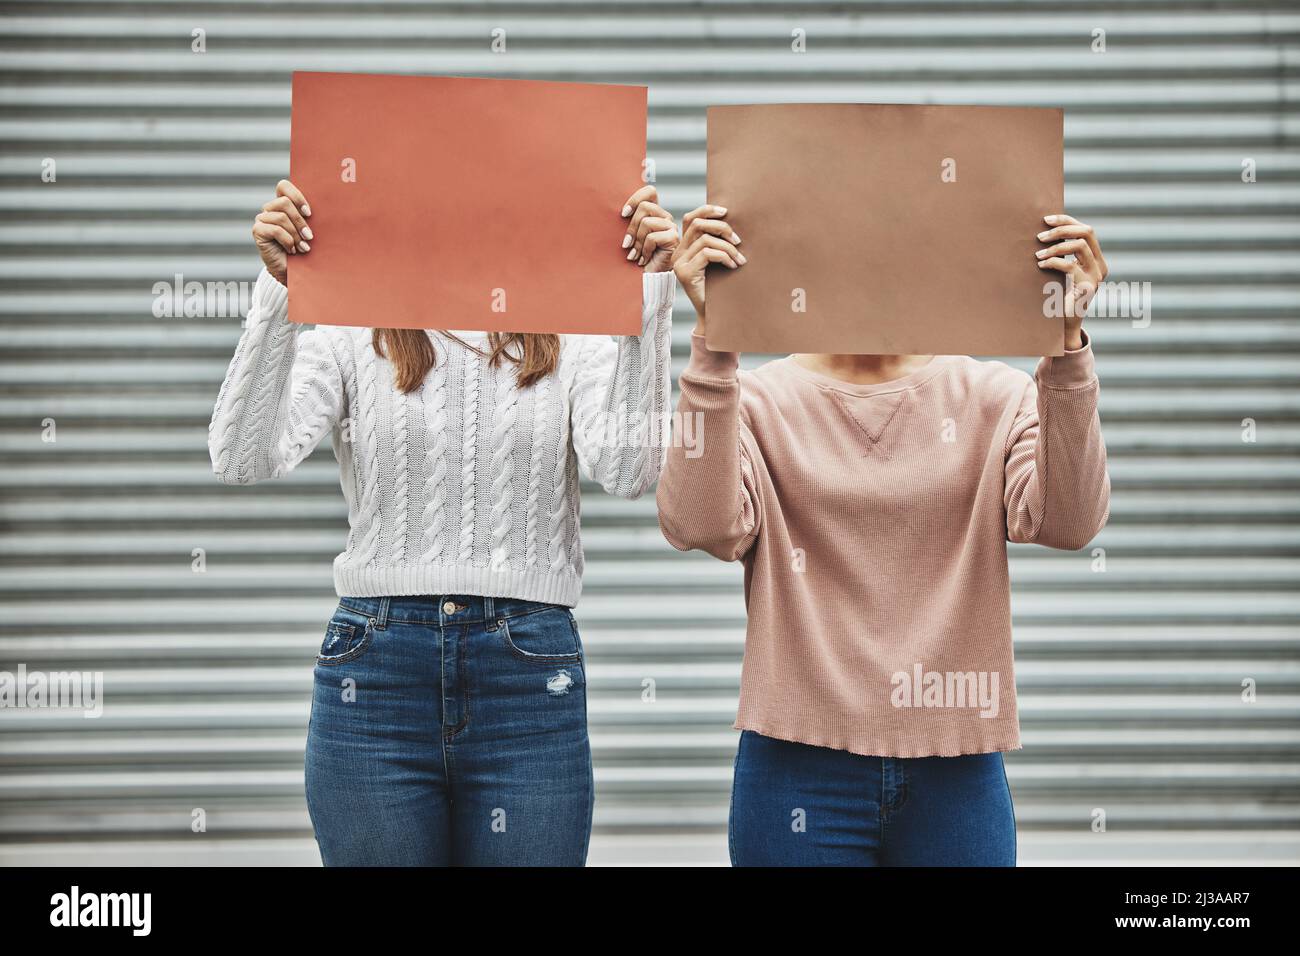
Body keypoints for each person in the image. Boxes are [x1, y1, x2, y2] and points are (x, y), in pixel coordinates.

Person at [209, 179, 678, 866]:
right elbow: (241, 456)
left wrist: (649, 299)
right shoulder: (354, 326)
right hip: (375, 677)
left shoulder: (572, 330)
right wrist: (280, 290)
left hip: (527, 678)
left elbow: (633, 470)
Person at [657, 205, 1111, 866]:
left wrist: (1066, 344)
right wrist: (714, 340)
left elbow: (1071, 522)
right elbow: (695, 524)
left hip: (955, 771)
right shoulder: (756, 400)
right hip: (796, 767)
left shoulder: (995, 397)